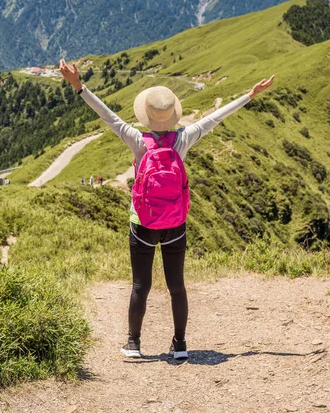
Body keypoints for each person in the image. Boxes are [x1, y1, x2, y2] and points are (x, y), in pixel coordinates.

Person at [59, 58, 274, 359]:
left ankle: (133, 344)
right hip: (175, 225)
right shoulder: (183, 139)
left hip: (143, 224)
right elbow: (215, 118)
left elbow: (107, 116)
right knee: (177, 286)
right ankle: (180, 345)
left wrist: (78, 86)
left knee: (140, 285)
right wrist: (250, 95)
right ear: (172, 115)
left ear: (146, 116)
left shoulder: (136, 139)